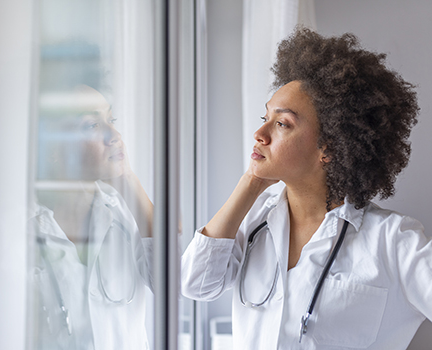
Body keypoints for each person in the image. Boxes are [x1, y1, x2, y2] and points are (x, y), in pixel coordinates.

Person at [181, 28, 431, 350]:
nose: (259, 132)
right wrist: (252, 181)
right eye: (264, 117)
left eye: (282, 123)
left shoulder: (393, 241)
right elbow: (196, 284)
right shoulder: (256, 218)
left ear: (329, 148)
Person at [29, 85, 153, 350]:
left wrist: (127, 177)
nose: (115, 136)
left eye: (111, 120)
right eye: (92, 125)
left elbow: (175, 280)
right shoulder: (21, 227)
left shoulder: (122, 211)